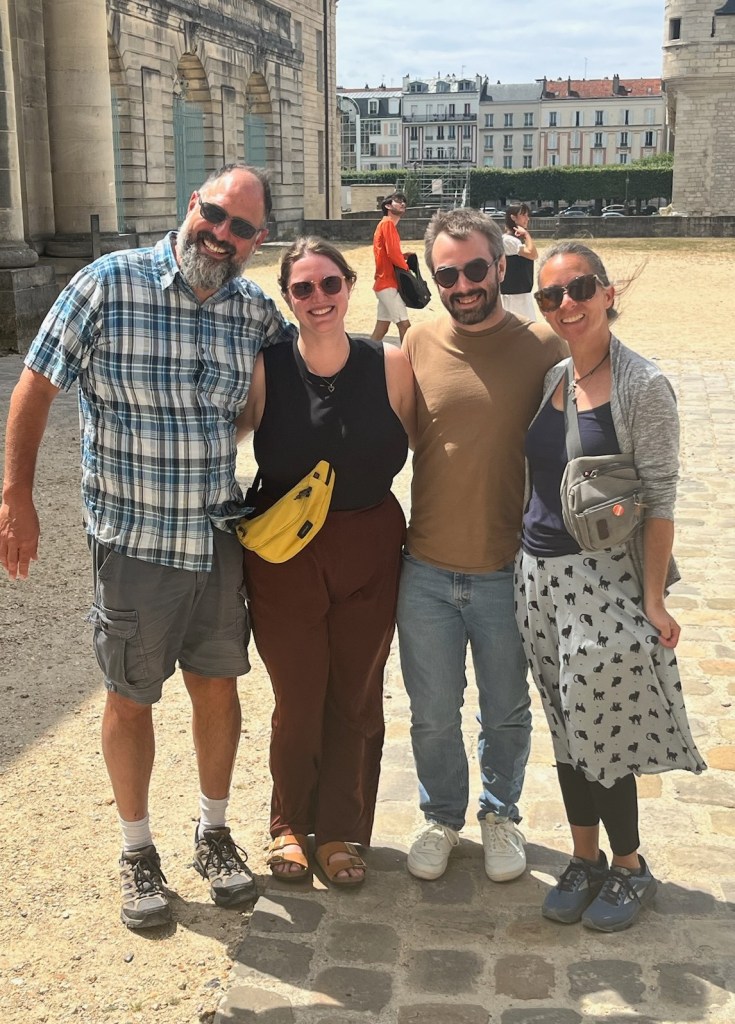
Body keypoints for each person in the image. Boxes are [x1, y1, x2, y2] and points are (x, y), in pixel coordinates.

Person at [0, 164, 298, 929]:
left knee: (218, 688)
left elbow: (299, 380)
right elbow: (36, 384)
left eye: (240, 228)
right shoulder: (108, 283)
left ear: (258, 240)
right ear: (191, 204)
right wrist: (16, 495)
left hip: (216, 536)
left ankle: (213, 833)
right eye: (214, 215)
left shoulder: (253, 310)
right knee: (130, 699)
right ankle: (137, 851)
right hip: (134, 540)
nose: (221, 234)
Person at [515, 241, 706, 931]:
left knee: (603, 727)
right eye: (550, 295)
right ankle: (584, 855)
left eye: (579, 288)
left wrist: (652, 598)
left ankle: (629, 864)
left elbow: (660, 498)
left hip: (601, 581)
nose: (565, 304)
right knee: (565, 725)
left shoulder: (642, 385)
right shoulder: (556, 376)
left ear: (607, 292)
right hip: (537, 579)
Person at [236, 237, 415, 887]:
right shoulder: (266, 369)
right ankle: (287, 824)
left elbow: (433, 446)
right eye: (303, 288)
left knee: (356, 693)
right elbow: (217, 441)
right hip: (286, 553)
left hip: (370, 544)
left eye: (329, 284)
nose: (318, 298)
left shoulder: (390, 363)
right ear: (287, 298)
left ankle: (340, 828)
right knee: (298, 695)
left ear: (350, 286)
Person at [397, 208, 567, 884]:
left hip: (506, 569)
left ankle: (500, 815)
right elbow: (401, 438)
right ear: (432, 277)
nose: (463, 285)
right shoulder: (415, 342)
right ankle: (441, 816)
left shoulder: (542, 348)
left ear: (500, 265)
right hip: (426, 568)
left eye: (475, 269)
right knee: (432, 715)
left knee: (505, 711)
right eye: (447, 275)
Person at [371, 191, 413, 342]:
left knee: (382, 328)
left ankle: (365, 355)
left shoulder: (384, 224)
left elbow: (389, 253)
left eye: (404, 201)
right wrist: (407, 269)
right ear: (388, 206)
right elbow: (393, 253)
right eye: (398, 200)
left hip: (383, 283)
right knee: (405, 325)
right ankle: (407, 356)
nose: (403, 203)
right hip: (388, 283)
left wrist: (402, 256)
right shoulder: (388, 223)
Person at [500, 203, 538, 322]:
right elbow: (533, 254)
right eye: (523, 215)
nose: (527, 218)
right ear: (513, 217)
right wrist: (526, 235)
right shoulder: (508, 240)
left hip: (521, 294)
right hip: (514, 296)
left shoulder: (514, 239)